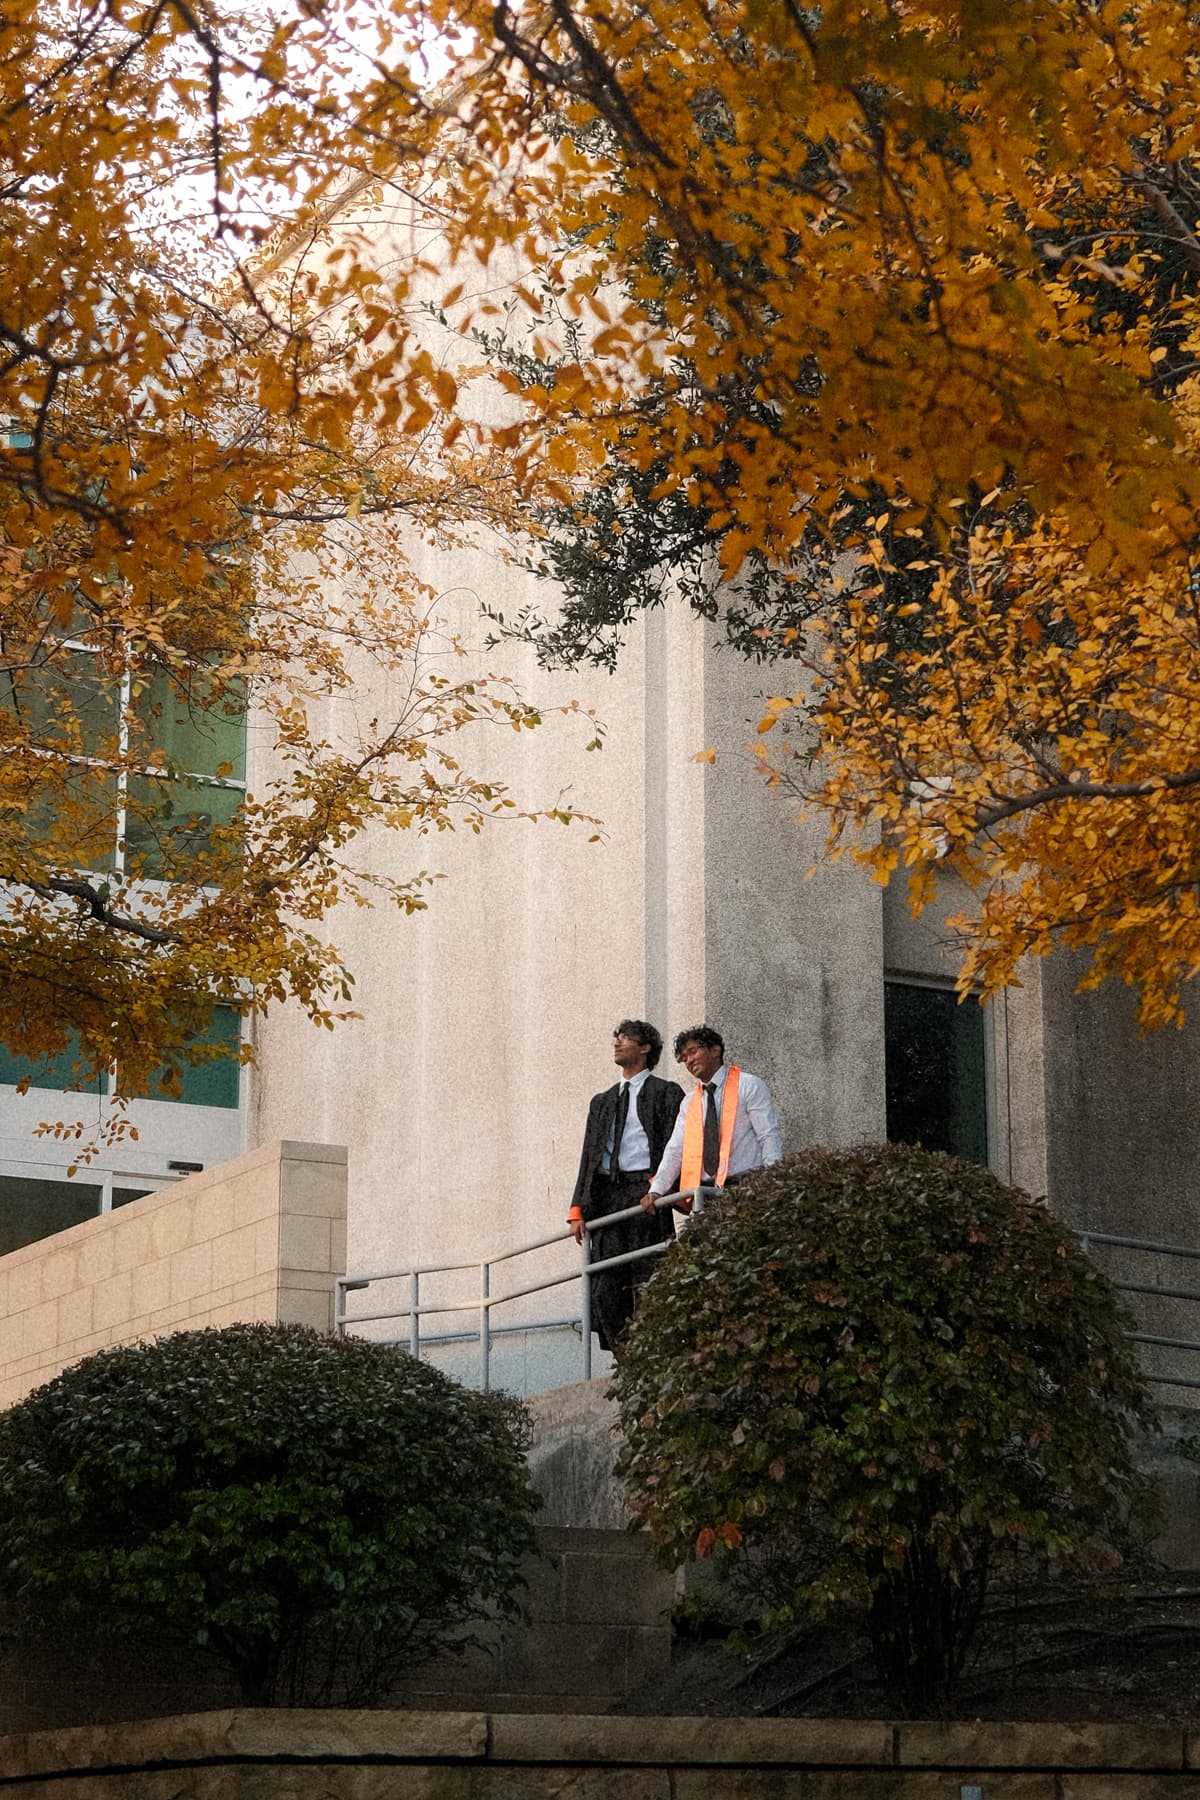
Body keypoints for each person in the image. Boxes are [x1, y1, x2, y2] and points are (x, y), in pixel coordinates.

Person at [567, 1020, 685, 1354]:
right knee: (606, 1284)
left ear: (645, 1048)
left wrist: (662, 1185)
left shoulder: (666, 1093)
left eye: (626, 1038)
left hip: (645, 1190)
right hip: (607, 1197)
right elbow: (589, 1157)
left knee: (648, 1275)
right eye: (616, 1038)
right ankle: (625, 1355)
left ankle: (652, 1354)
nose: (617, 1044)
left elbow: (674, 1145)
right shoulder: (601, 1101)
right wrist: (578, 1207)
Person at [641, 1024, 782, 1214]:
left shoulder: (748, 1086)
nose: (689, 1061)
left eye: (693, 1051)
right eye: (684, 1058)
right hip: (705, 1195)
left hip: (746, 1187)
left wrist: (772, 1182)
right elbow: (675, 1150)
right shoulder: (689, 1102)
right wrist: (656, 1190)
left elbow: (768, 1135)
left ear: (715, 1050)